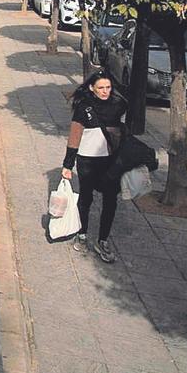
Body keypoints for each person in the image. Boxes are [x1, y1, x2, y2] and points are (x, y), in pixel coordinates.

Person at [62, 69, 127, 263]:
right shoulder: (84, 107)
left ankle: (103, 240)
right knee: (86, 197)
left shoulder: (119, 105)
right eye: (101, 88)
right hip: (87, 159)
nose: (105, 91)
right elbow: (75, 137)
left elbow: (123, 132)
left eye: (108, 87)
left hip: (110, 160)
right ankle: (82, 234)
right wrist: (68, 164)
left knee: (110, 200)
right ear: (92, 88)